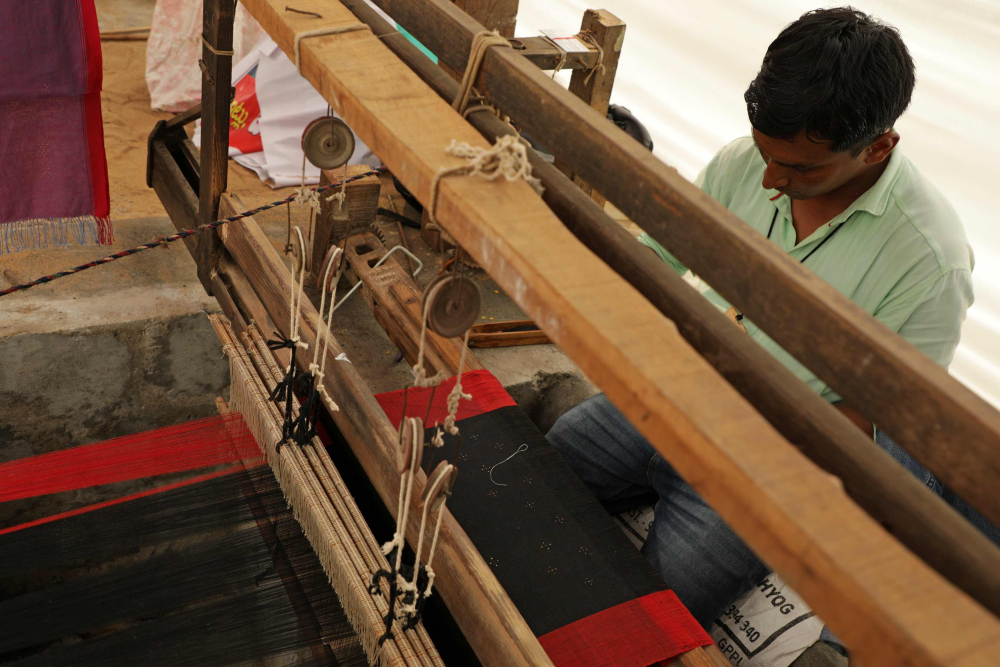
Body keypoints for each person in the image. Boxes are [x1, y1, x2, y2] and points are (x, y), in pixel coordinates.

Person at [548, 6, 996, 657]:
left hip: (774, 460)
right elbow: (656, 266)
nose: (770, 181)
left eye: (801, 170)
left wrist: (746, 398)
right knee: (548, 460)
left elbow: (882, 432)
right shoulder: (744, 164)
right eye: (764, 153)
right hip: (682, 392)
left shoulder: (929, 259)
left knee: (662, 601)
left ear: (878, 146)